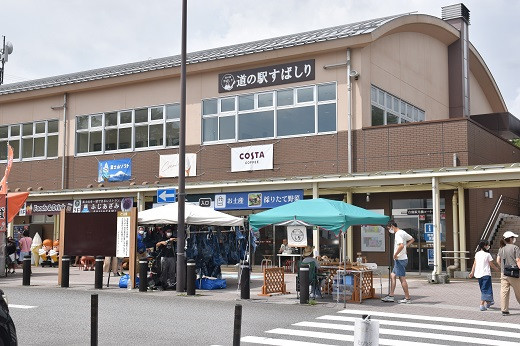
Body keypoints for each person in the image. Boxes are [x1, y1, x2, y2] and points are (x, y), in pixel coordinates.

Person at [382, 220, 414, 304]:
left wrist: (395, 254)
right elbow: (412, 239)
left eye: (389, 228)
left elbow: (401, 245)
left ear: (392, 226)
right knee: (393, 275)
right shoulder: (402, 232)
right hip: (402, 259)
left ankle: (407, 298)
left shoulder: (398, 234)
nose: (389, 230)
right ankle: (391, 295)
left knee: (402, 278)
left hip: (400, 259)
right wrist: (405, 248)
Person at [469, 240, 499, 311]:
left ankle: (489, 302)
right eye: (487, 245)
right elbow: (491, 264)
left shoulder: (477, 254)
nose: (488, 246)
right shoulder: (487, 255)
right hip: (486, 274)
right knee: (486, 289)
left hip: (478, 274)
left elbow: (474, 264)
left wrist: (472, 272)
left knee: (484, 289)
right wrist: (497, 269)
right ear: (484, 246)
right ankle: (482, 304)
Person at [496, 231, 520, 316]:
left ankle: (504, 310)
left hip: (504, 273)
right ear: (510, 238)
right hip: (514, 274)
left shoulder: (501, 248)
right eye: (513, 237)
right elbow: (517, 260)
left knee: (504, 292)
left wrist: (502, 267)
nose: (514, 239)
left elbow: (498, 260)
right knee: (518, 291)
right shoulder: (515, 248)